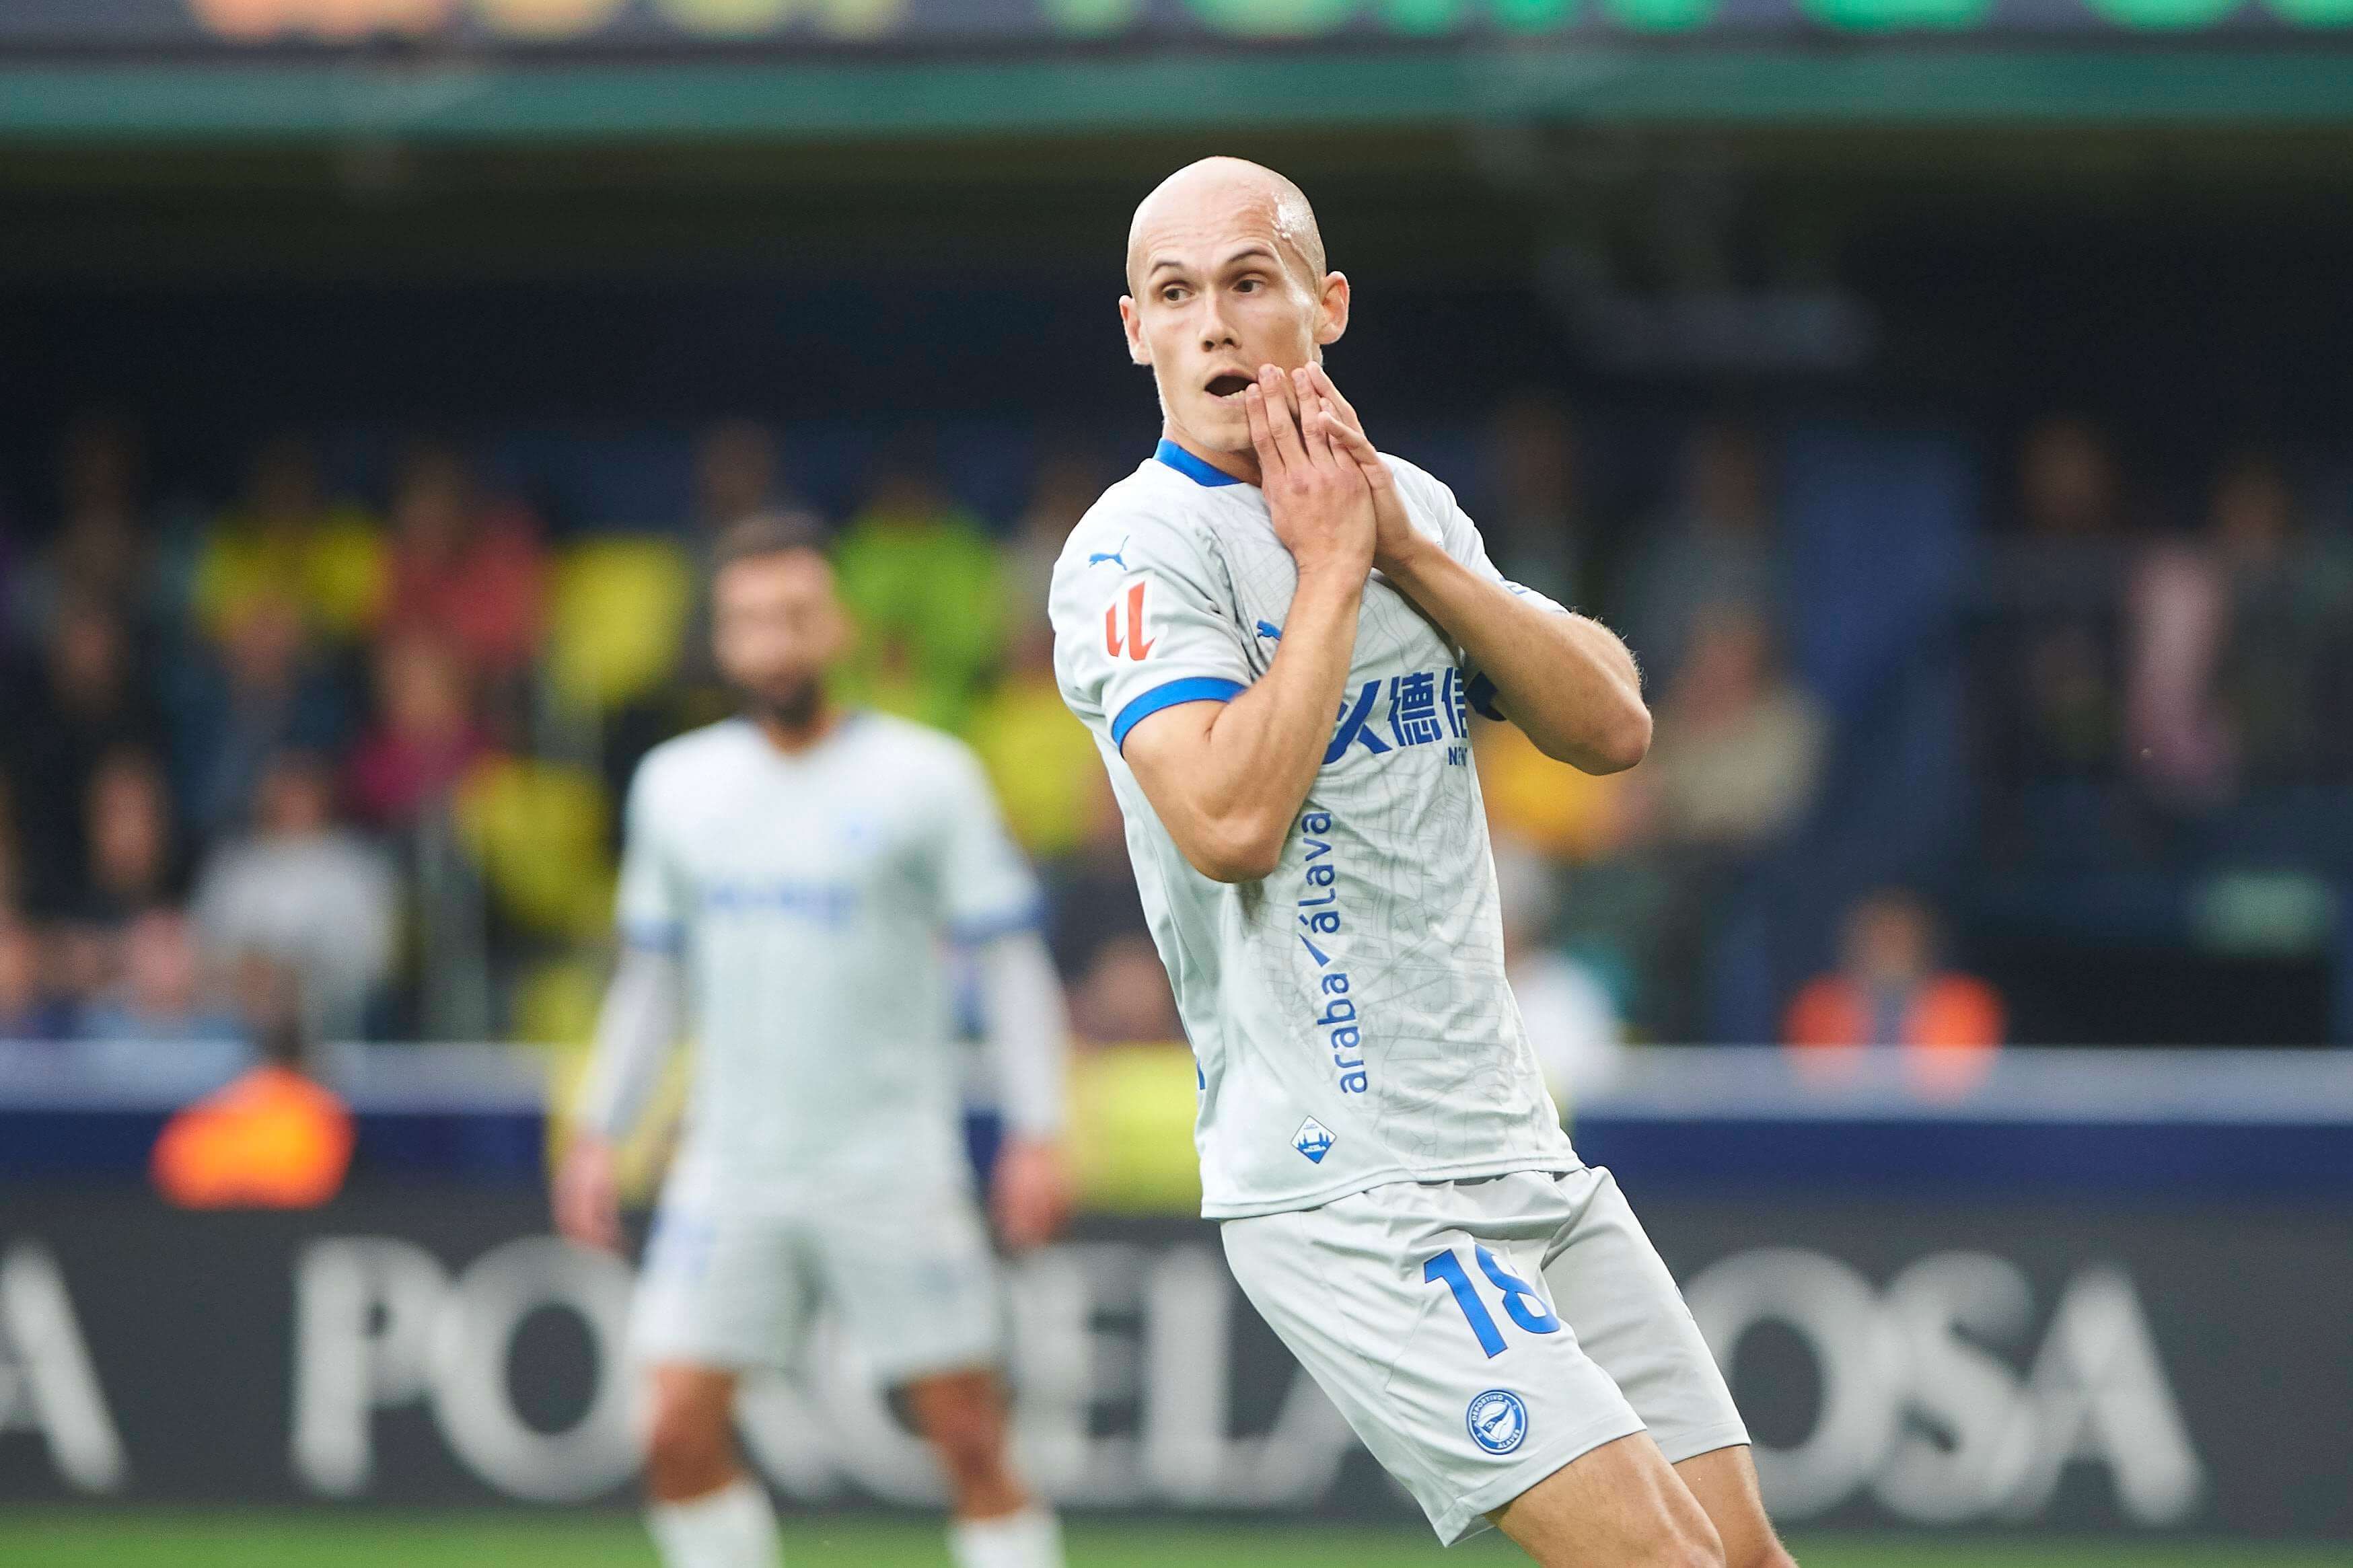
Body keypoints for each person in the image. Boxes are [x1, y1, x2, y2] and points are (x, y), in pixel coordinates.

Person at [1047, 159, 1788, 1568]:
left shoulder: (1413, 508)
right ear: (1136, 331)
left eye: (1247, 282)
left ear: (1324, 307)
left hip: (1513, 1142)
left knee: (1743, 1560)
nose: (1213, 323)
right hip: (1348, 1186)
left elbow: (1613, 726)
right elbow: (1226, 825)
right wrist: (1333, 569)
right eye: (1174, 295)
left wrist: (1404, 550)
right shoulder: (1131, 553)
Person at [553, 514, 1073, 1568]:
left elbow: (1009, 960)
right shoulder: (676, 786)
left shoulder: (927, 777)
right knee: (673, 1429)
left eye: (796, 614)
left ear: (839, 627)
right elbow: (654, 976)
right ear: (721, 638)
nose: (775, 640)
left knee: (969, 1434)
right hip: (729, 1162)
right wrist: (601, 1129)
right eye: (751, 619)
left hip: (891, 1160)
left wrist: (1039, 1128)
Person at [1782, 887, 2004, 1094]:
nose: (1888, 952)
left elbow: (1950, 1088)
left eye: (1899, 939)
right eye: (1877, 939)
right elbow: (1823, 1088)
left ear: (1925, 945)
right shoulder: (1820, 1004)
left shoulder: (1964, 1003)